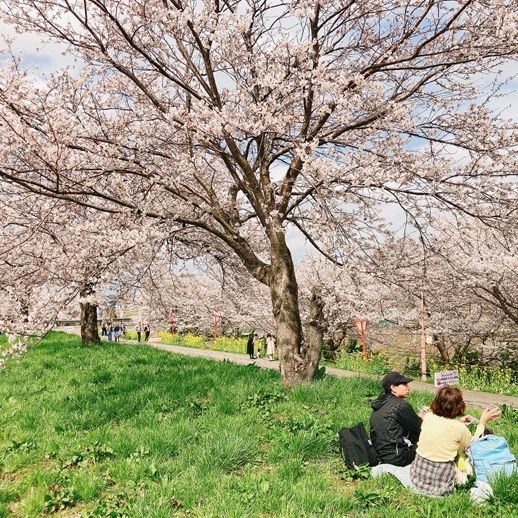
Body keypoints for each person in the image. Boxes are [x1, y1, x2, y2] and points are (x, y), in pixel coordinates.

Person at [409, 386, 500, 496]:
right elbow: (472, 446)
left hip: (418, 473)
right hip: (441, 480)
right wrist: (482, 423)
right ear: (459, 406)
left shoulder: (428, 417)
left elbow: (442, 427)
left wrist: (458, 423)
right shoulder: (459, 428)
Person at [370, 372, 422, 466]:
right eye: (404, 384)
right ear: (393, 388)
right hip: (398, 458)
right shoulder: (400, 405)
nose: (408, 387)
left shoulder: (380, 404)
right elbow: (421, 428)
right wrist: (425, 418)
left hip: (381, 455)